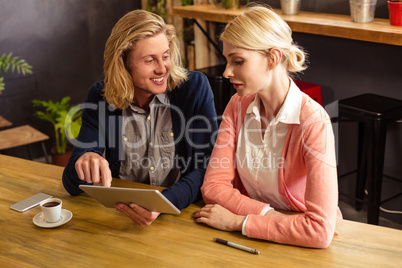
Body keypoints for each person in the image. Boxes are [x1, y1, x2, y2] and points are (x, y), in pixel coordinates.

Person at [192, 5, 341, 249]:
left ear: (273, 58)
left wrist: (241, 222)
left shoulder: (314, 122)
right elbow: (213, 187)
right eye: (227, 61)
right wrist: (267, 215)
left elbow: (318, 231)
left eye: (238, 61)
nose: (227, 71)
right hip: (269, 236)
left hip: (304, 248)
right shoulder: (237, 105)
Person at [62, 9, 218, 226]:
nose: (162, 68)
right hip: (120, 216)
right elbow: (71, 185)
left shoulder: (193, 88)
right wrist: (85, 158)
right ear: (124, 63)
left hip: (181, 214)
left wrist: (164, 203)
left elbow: (208, 167)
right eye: (149, 60)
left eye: (165, 56)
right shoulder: (100, 97)